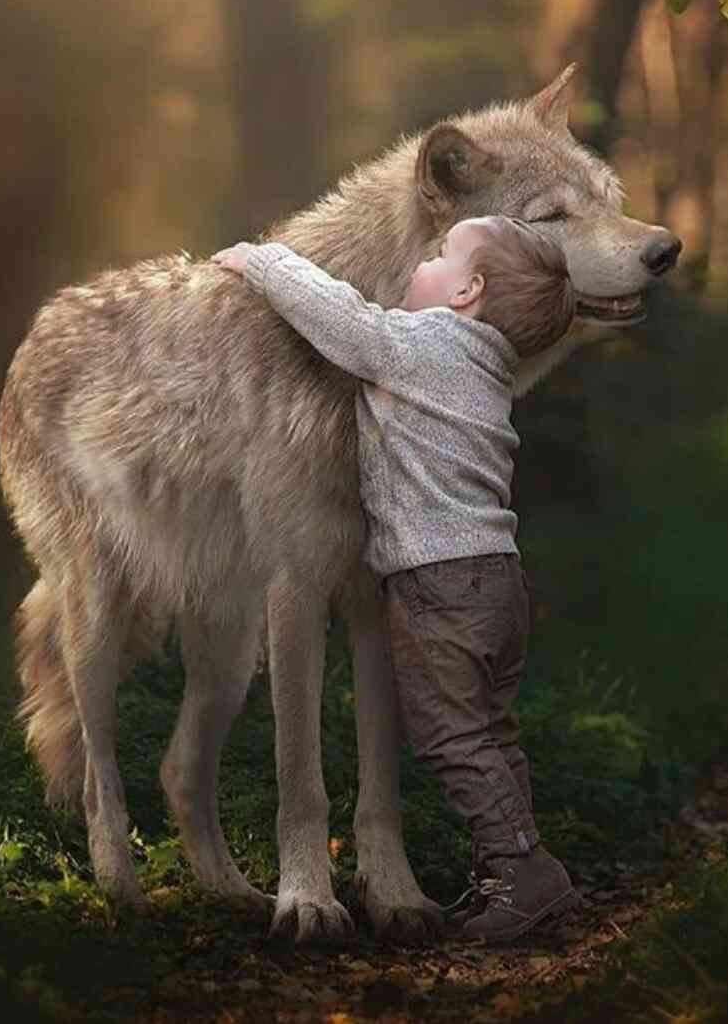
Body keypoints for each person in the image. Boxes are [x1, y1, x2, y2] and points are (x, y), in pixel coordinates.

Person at [211, 215, 578, 942]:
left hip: (440, 583)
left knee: (450, 739)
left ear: (467, 291)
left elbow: (345, 322)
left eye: (442, 255)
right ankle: (509, 870)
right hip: (495, 579)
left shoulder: (428, 345)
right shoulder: (486, 365)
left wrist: (264, 260)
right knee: (490, 736)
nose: (424, 258)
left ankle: (525, 872)